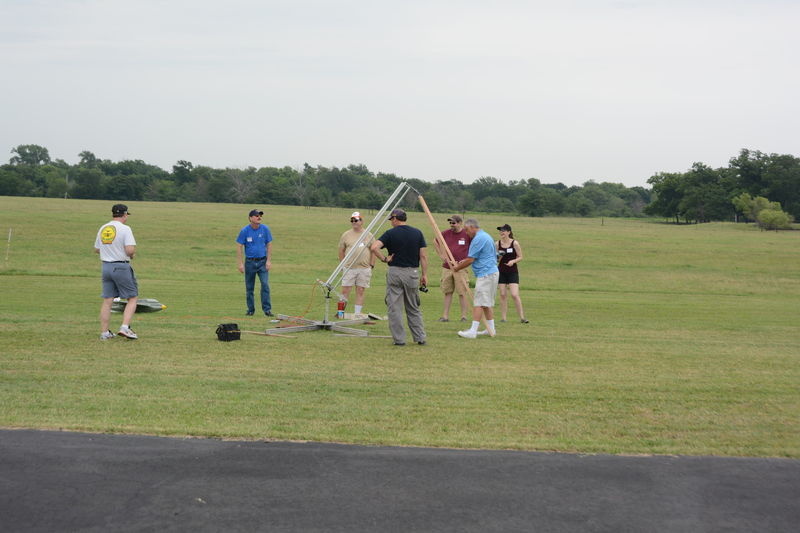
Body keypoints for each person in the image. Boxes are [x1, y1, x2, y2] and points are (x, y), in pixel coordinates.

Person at [370, 208, 428, 346]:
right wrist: (424, 274)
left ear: (395, 218)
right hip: (412, 273)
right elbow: (423, 256)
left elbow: (373, 247)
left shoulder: (390, 233)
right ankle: (420, 337)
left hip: (395, 272)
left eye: (391, 219)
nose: (391, 222)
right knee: (413, 307)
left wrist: (385, 259)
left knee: (394, 308)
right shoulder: (417, 233)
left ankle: (399, 339)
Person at [94, 204, 139, 340]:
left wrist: (110, 251)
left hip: (106, 266)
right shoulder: (125, 229)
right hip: (121, 266)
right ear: (124, 215)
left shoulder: (103, 228)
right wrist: (130, 255)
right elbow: (130, 250)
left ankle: (104, 333)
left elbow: (97, 249)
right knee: (132, 298)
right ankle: (125, 327)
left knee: (108, 300)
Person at [452, 218, 499, 339]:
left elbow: (470, 259)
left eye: (467, 230)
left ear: (473, 227)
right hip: (491, 272)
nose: (466, 233)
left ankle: (473, 331)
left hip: (486, 274)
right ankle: (491, 329)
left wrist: (457, 268)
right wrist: (464, 262)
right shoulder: (485, 236)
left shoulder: (478, 239)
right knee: (486, 303)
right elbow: (475, 257)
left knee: (479, 303)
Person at [433, 214, 471, 322]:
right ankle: (445, 316)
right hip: (447, 267)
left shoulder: (466, 234)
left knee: (462, 292)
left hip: (461, 267)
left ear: (460, 223)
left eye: (453, 223)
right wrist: (442, 255)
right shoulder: (446, 233)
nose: (451, 225)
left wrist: (467, 259)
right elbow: (435, 241)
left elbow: (474, 247)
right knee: (448, 291)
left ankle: (464, 316)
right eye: (450, 223)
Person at [236, 209, 273, 316]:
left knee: (265, 285)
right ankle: (250, 310)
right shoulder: (245, 231)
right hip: (250, 263)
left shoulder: (265, 229)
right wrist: (240, 264)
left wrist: (269, 261)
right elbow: (239, 246)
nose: (259, 217)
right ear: (250, 218)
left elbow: (269, 244)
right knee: (249, 287)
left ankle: (267, 310)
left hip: (262, 262)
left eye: (260, 215)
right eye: (256, 216)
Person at [338, 211, 376, 316]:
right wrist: (342, 264)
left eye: (356, 220)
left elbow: (374, 250)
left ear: (362, 221)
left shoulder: (368, 234)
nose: (354, 222)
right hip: (349, 267)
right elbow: (341, 250)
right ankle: (340, 313)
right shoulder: (346, 235)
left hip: (364, 268)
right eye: (352, 220)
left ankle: (357, 313)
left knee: (360, 290)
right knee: (345, 290)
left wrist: (372, 264)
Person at [496, 223, 529, 323]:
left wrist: (513, 261)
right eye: (500, 230)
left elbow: (520, 256)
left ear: (509, 232)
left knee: (514, 294)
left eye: (503, 230)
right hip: (501, 271)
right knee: (502, 294)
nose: (501, 232)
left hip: (512, 272)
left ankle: (522, 318)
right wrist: (499, 257)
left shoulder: (514, 243)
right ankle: (503, 318)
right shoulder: (497, 244)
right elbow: (495, 259)